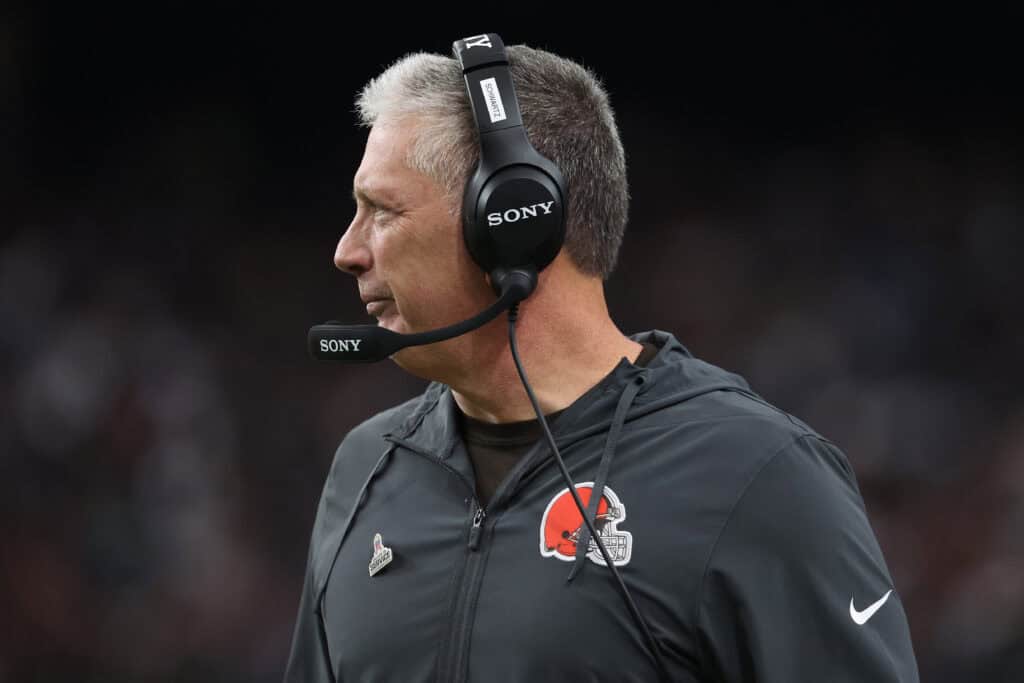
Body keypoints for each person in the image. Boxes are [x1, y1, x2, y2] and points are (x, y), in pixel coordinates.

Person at [284, 33, 920, 683]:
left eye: (381, 211)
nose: (347, 250)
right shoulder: (364, 470)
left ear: (512, 224)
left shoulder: (758, 476)